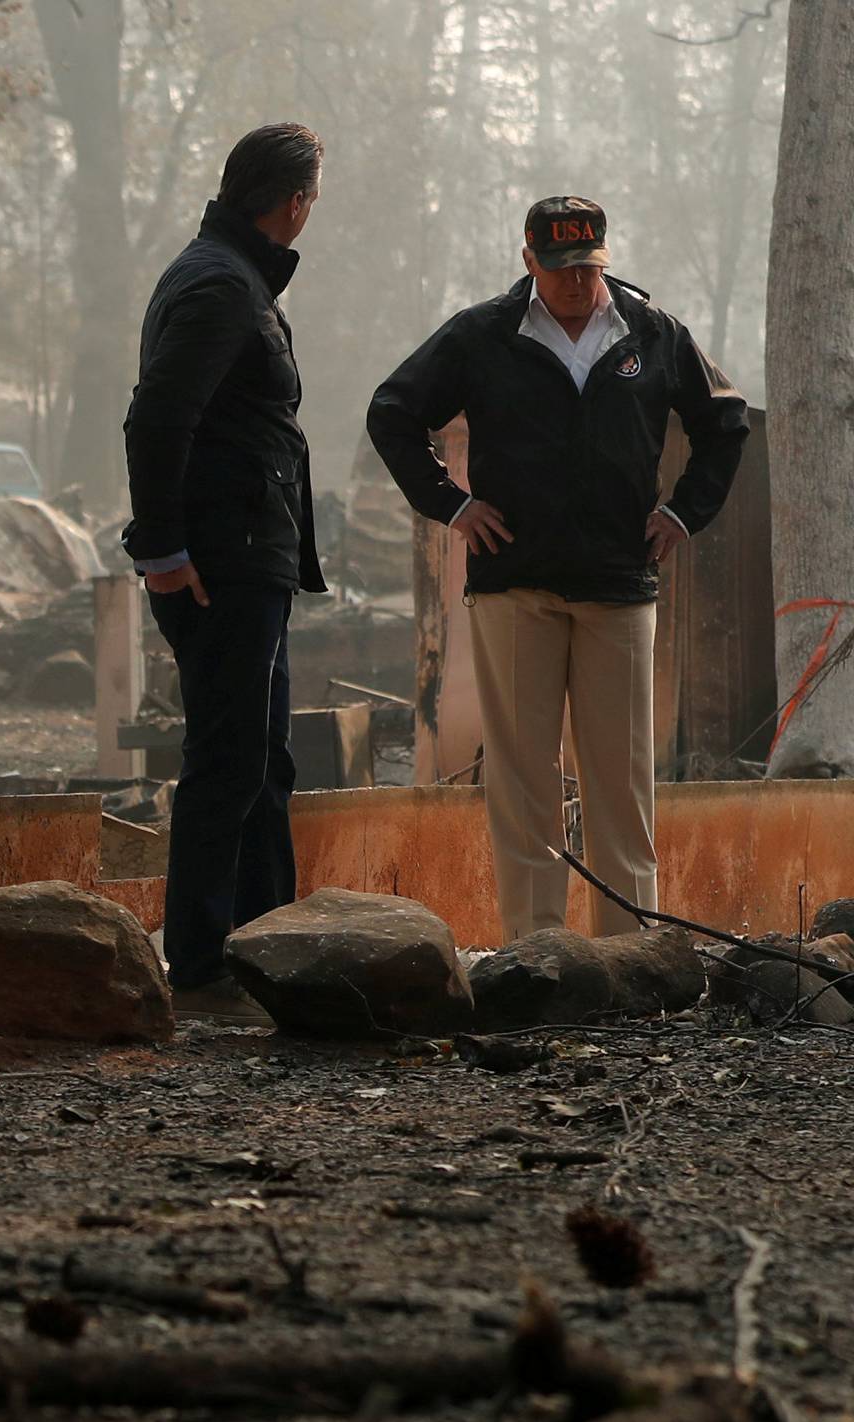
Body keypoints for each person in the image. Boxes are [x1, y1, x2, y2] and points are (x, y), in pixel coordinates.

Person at [367, 196, 748, 941]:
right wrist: (451, 506)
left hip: (619, 583)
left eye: (588, 267)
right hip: (514, 582)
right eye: (560, 267)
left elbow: (724, 422)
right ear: (528, 261)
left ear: (604, 259)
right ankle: (538, 953)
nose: (576, 283)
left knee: (622, 784)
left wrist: (682, 513)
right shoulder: (482, 335)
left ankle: (632, 953)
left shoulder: (653, 331)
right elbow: (393, 412)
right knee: (523, 783)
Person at [122, 123, 327, 1003]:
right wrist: (163, 553)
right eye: (313, 198)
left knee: (263, 761)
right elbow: (158, 418)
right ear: (293, 202)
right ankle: (203, 964)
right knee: (228, 762)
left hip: (252, 559)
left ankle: (264, 945)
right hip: (224, 563)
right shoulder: (219, 286)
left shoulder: (231, 277)